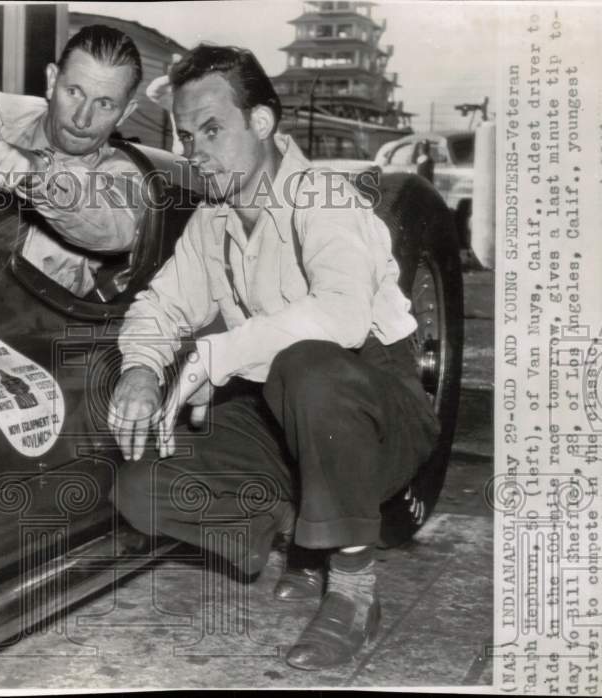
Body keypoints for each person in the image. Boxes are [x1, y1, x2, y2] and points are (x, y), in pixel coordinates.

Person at [107, 45, 440, 671]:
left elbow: (340, 319)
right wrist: (141, 371)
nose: (193, 151)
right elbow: (160, 306)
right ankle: (306, 535)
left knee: (306, 365)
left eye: (211, 129)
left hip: (374, 411)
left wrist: (219, 351)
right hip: (286, 420)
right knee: (142, 484)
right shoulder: (213, 221)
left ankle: (353, 588)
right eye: (185, 134)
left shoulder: (327, 200)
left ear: (261, 123)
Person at [0, 24, 145, 298]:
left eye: (104, 104)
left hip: (26, 327)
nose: (82, 119)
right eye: (74, 92)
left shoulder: (122, 177)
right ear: (53, 81)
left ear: (125, 113)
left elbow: (115, 230)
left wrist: (38, 174)